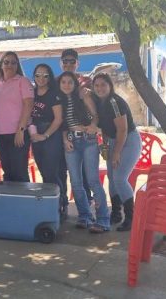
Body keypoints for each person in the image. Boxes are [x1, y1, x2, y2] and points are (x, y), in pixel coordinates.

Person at [59, 71, 110, 233]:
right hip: (71, 141)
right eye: (63, 82)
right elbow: (61, 124)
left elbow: (95, 116)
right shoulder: (59, 100)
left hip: (88, 140)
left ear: (75, 83)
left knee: (93, 180)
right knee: (75, 182)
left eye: (70, 82)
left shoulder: (83, 95)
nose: (67, 85)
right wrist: (65, 140)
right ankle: (85, 216)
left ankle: (103, 219)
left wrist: (93, 126)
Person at [92, 73, 142, 232]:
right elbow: (106, 128)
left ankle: (131, 217)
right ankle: (116, 213)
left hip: (128, 141)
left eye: (103, 85)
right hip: (112, 141)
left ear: (110, 86)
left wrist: (116, 153)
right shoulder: (98, 102)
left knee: (120, 178)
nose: (100, 88)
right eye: (96, 85)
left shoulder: (114, 102)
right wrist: (106, 146)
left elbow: (122, 129)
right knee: (112, 178)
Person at [29, 64, 67, 217]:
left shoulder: (54, 94)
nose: (41, 79)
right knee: (44, 172)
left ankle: (61, 204)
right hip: (35, 133)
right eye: (38, 75)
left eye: (45, 75)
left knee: (52, 173)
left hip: (50, 134)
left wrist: (45, 135)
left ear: (50, 77)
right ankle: (50, 205)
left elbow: (58, 119)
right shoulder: (32, 92)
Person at [0, 51, 34, 182]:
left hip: (18, 133)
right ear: (1, 65)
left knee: (19, 171)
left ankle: (23, 196)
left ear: (17, 65)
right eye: (6, 62)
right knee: (7, 171)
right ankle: (9, 195)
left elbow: (28, 105)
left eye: (13, 63)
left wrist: (21, 130)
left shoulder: (23, 81)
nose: (9, 65)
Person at [60, 48, 92, 204]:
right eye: (65, 61)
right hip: (62, 134)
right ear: (60, 63)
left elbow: (93, 106)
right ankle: (62, 204)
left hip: (85, 136)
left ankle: (89, 207)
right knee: (65, 173)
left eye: (72, 61)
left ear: (77, 63)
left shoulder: (86, 81)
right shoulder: (57, 82)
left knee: (86, 175)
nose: (68, 64)